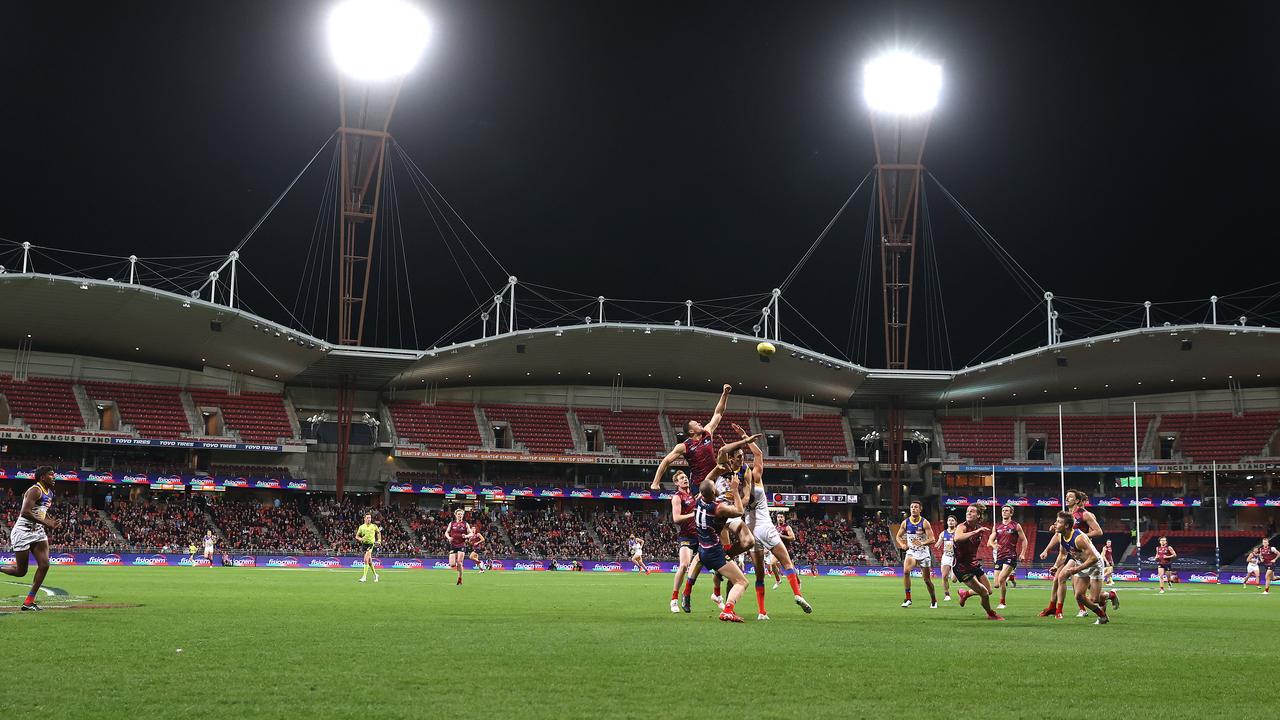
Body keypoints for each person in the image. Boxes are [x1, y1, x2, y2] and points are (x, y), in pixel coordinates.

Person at [729, 425, 812, 620]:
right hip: (766, 527)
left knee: (759, 575)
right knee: (786, 562)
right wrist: (744, 437)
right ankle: (798, 595)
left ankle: (762, 612)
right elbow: (758, 455)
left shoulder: (735, 487)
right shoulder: (755, 478)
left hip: (749, 531)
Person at [650, 383, 732, 491]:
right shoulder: (684, 446)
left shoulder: (707, 433)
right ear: (691, 431)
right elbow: (666, 461)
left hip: (715, 482)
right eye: (696, 423)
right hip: (698, 485)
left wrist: (725, 394)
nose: (699, 423)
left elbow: (718, 413)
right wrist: (655, 483)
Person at [694, 467, 750, 623]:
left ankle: (717, 594)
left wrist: (717, 470)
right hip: (714, 552)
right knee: (742, 582)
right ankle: (727, 610)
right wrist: (735, 490)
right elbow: (739, 511)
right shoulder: (717, 509)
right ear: (713, 493)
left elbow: (706, 484)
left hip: (703, 549)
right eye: (715, 488)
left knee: (727, 575)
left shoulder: (698, 500)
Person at [1, 466, 60, 611]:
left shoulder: (50, 492)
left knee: (45, 565)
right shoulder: (35, 490)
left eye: (54, 474)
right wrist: (46, 522)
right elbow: (25, 512)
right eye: (51, 474)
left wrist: (50, 520)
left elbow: (41, 512)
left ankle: (28, 602)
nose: (54, 477)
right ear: (42, 477)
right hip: (23, 531)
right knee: (21, 572)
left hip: (37, 531)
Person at [1039, 489, 1102, 618]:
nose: (1067, 499)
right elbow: (1058, 536)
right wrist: (1047, 549)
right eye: (1066, 497)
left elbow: (1099, 532)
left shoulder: (1085, 515)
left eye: (1070, 497)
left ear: (1078, 500)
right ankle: (1056, 609)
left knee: (1081, 589)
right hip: (1070, 550)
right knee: (1059, 578)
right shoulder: (1065, 517)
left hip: (1082, 551)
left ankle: (1096, 602)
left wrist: (1081, 537)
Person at [1049, 511, 1118, 625]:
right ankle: (1102, 616)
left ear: (1066, 525)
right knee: (1079, 596)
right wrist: (1056, 566)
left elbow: (1094, 558)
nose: (1055, 524)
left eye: (1058, 522)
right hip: (1081, 564)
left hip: (1094, 565)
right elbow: (1062, 554)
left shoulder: (1079, 538)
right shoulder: (1060, 536)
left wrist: (1077, 569)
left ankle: (1110, 595)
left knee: (1094, 599)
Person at [951, 504, 1003, 620]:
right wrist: (976, 532)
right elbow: (957, 538)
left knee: (989, 591)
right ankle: (991, 614)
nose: (968, 513)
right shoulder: (962, 526)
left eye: (972, 511)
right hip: (962, 567)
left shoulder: (980, 529)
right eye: (968, 511)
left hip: (973, 564)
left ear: (978, 515)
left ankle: (966, 594)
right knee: (984, 593)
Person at [895, 500, 937, 608]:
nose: (913, 509)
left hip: (923, 554)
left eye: (916, 507)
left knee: (927, 580)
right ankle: (908, 598)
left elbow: (932, 539)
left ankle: (933, 600)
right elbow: (898, 536)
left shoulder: (924, 522)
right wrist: (902, 545)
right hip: (912, 552)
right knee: (906, 571)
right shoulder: (905, 522)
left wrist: (922, 542)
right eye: (912, 507)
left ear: (920, 509)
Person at [668, 470, 700, 613]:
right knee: (684, 565)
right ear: (676, 483)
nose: (685, 479)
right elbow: (676, 518)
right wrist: (693, 514)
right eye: (681, 478)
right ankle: (674, 599)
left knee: (715, 567)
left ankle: (717, 595)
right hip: (686, 536)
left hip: (700, 535)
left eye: (686, 477)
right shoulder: (677, 497)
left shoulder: (693, 494)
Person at [988, 505, 1027, 610]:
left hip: (1011, 556)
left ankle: (1002, 602)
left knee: (1001, 579)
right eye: (1003, 510)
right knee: (996, 584)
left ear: (1011, 513)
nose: (1004, 512)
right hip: (999, 556)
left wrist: (1022, 553)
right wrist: (993, 545)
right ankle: (1009, 577)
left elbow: (1024, 540)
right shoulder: (997, 526)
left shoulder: (1016, 526)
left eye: (1007, 511)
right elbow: (990, 541)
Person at [444, 508, 472, 586]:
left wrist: (466, 536)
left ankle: (460, 578)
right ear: (456, 515)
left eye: (461, 514)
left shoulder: (465, 523)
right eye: (459, 514)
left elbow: (471, 533)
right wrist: (449, 538)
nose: (460, 515)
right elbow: (446, 532)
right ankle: (459, 567)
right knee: (452, 564)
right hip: (453, 545)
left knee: (459, 562)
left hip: (461, 545)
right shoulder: (452, 523)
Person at [934, 515, 958, 600]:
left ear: (956, 522)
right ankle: (947, 594)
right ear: (947, 522)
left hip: (956, 557)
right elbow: (938, 543)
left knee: (954, 579)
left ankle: (955, 574)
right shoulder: (943, 533)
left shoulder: (958, 532)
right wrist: (938, 544)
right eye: (949, 520)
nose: (951, 522)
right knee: (944, 576)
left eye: (952, 520)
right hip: (946, 556)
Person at [357, 512, 381, 583]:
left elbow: (378, 532)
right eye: (367, 518)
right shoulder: (361, 527)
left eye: (370, 518)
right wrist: (360, 539)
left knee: (365, 559)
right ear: (364, 518)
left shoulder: (374, 526)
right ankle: (376, 575)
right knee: (369, 561)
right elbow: (357, 536)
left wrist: (379, 540)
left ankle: (364, 577)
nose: (369, 519)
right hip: (364, 544)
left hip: (371, 544)